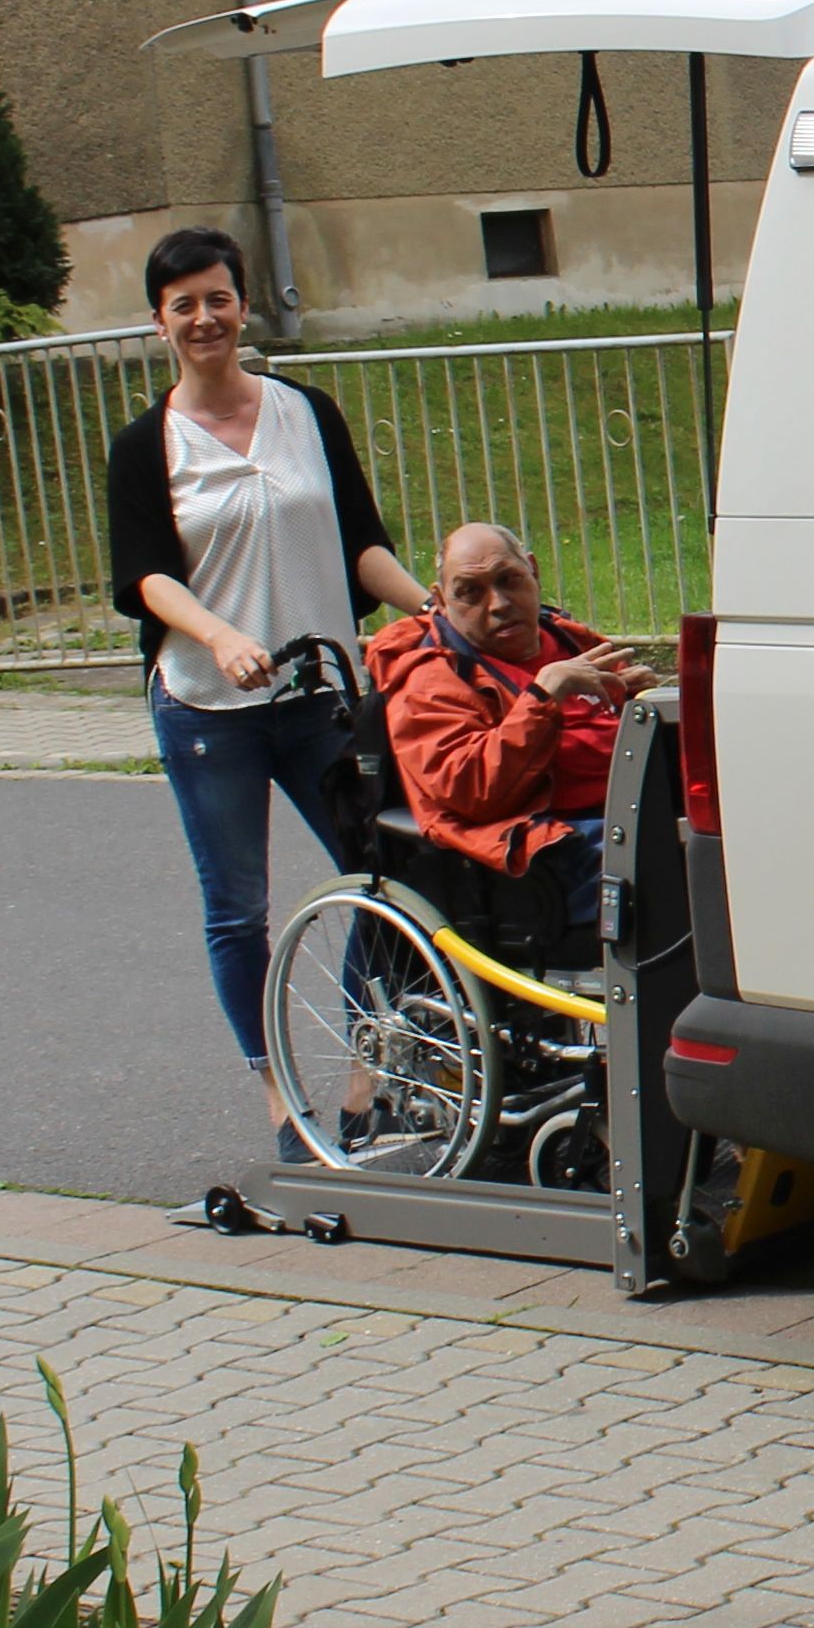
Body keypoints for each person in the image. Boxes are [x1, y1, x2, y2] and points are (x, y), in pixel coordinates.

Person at [104, 229, 428, 1146]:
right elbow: (145, 576)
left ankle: (368, 1076)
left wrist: (433, 606)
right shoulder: (145, 446)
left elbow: (360, 543)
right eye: (183, 305)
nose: (204, 318)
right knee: (238, 907)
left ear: (243, 305)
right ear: (159, 323)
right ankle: (281, 1097)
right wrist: (220, 634)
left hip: (323, 696)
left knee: (388, 872)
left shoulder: (307, 413)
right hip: (210, 708)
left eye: (218, 298)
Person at [370, 524, 654, 929]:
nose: (499, 604)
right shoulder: (431, 678)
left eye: (509, 580)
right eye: (470, 591)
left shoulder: (568, 639)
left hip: (632, 810)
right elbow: (472, 790)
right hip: (549, 849)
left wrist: (643, 706)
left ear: (533, 572)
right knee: (680, 869)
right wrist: (544, 696)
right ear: (440, 601)